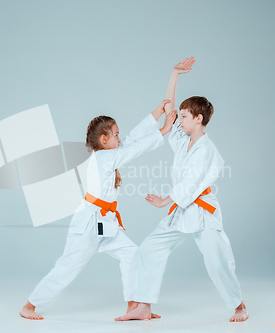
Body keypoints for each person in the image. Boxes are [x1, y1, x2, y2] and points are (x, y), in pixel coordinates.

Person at [115, 57, 249, 322]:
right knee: (150, 248)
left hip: (203, 211)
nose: (181, 120)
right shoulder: (183, 140)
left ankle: (239, 305)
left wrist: (165, 200)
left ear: (199, 119)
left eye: (186, 116)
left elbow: (190, 184)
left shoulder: (206, 150)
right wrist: (174, 75)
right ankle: (144, 305)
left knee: (216, 261)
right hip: (181, 211)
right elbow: (170, 112)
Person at [20, 101, 178, 320]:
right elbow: (134, 148)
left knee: (132, 255)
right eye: (115, 135)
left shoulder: (109, 154)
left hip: (105, 224)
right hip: (88, 225)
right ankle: (30, 305)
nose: (119, 139)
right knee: (67, 267)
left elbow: (132, 139)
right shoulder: (104, 158)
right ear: (104, 140)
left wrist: (156, 114)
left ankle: (133, 307)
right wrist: (163, 130)